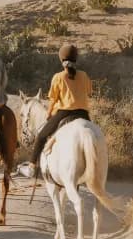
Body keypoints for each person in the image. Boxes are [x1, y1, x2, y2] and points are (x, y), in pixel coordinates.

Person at [23, 43, 92, 177]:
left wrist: (49, 114)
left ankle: (31, 166)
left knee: (41, 136)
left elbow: (53, 100)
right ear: (76, 59)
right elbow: (88, 92)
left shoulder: (58, 77)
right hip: (83, 114)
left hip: (64, 113)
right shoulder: (84, 75)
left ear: (61, 60)